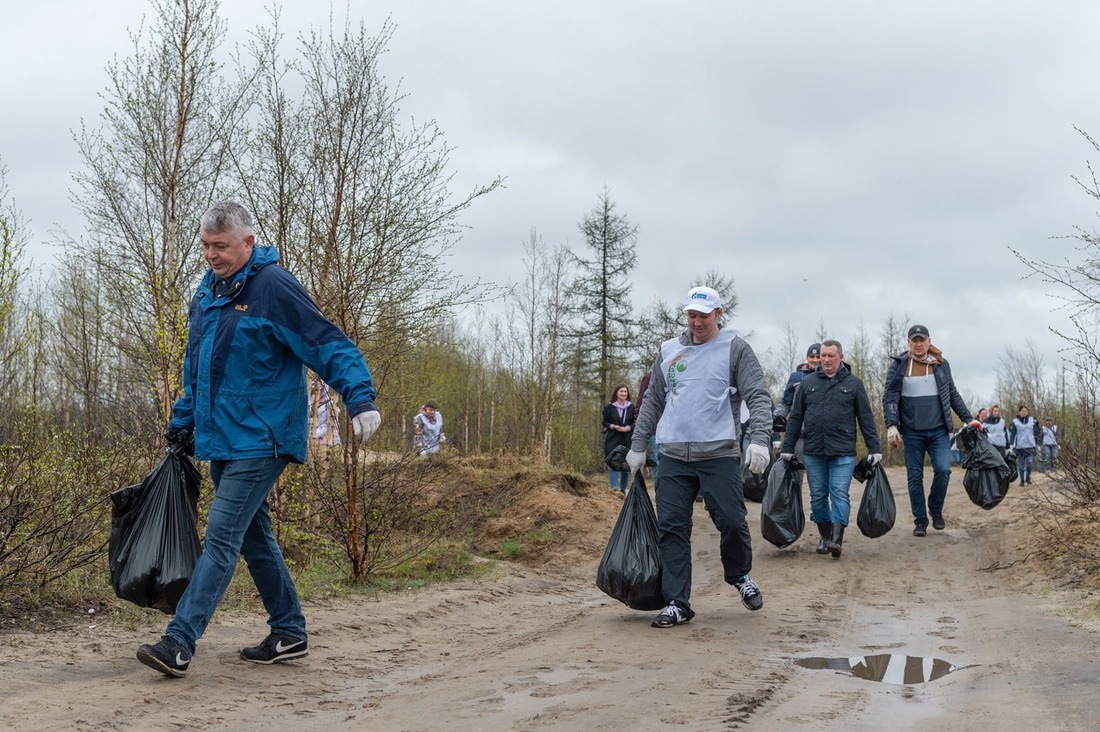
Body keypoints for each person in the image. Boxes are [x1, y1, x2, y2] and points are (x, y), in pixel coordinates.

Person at [137, 201, 381, 678]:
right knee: (254, 537)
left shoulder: (273, 287)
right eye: (205, 245)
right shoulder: (207, 294)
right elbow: (196, 370)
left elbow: (324, 340)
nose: (210, 254)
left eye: (220, 246)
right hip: (221, 437)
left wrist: (360, 396)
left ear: (248, 242)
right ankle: (289, 631)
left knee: (222, 536)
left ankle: (179, 641)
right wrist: (183, 422)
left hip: (263, 437)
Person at [625, 285, 772, 628]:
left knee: (733, 522)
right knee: (672, 528)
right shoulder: (669, 350)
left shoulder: (734, 348)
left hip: (718, 453)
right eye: (691, 315)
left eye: (704, 316)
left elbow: (758, 395)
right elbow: (653, 400)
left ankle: (739, 576)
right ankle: (677, 601)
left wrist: (761, 439)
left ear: (719, 314)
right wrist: (638, 444)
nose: (697, 323)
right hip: (673, 455)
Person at [779, 339, 881, 558]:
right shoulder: (808, 383)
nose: (825, 359)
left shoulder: (854, 384)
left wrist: (875, 449)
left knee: (839, 493)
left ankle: (836, 539)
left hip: (842, 451)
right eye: (823, 355)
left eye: (830, 356)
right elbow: (796, 417)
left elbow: (865, 418)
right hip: (814, 450)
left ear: (841, 357)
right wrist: (787, 447)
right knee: (817, 496)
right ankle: (824, 537)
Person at [883, 324, 975, 537]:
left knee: (943, 471)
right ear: (908, 343)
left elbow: (952, 394)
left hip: (939, 431)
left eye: (921, 340)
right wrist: (891, 425)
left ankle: (935, 509)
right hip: (912, 432)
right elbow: (890, 397)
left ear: (929, 341)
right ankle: (920, 520)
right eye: (914, 340)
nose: (918, 344)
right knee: (914, 477)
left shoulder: (941, 365)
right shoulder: (899, 365)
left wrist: (969, 419)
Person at [771, 343, 822, 460]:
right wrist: (777, 417)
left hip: (821, 432)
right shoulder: (796, 377)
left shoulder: (827, 377)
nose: (814, 360)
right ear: (807, 358)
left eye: (817, 357)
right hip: (800, 431)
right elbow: (786, 402)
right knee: (796, 465)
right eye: (811, 357)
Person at [602, 385, 635, 493]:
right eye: (621, 391)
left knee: (626, 465)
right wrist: (613, 426)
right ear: (616, 393)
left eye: (625, 391)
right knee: (614, 463)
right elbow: (605, 422)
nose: (623, 393)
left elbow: (635, 422)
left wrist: (627, 428)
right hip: (613, 438)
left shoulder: (631, 407)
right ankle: (614, 489)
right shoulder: (609, 408)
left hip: (627, 438)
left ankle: (622, 490)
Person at [635, 372, 659, 487]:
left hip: (675, 430)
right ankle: (661, 495)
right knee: (657, 462)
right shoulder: (650, 377)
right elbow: (641, 403)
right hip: (655, 430)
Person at [1008, 405, 1040, 484]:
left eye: (1025, 411)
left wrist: (1039, 443)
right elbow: (1013, 434)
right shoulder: (1015, 421)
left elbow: (1037, 432)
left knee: (1029, 462)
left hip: (1030, 445)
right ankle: (1022, 480)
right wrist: (1011, 444)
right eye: (1022, 411)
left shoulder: (1032, 420)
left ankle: (1028, 478)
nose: (1024, 412)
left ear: (1027, 412)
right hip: (1020, 446)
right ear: (1019, 412)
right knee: (1021, 464)